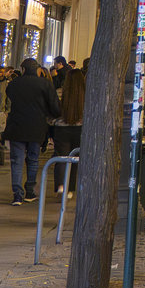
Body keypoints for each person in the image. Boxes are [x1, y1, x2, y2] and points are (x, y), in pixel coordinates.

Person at [3, 57, 60, 206]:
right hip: (37, 126)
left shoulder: (14, 84)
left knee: (17, 161)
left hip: (17, 126)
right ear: (37, 69)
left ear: (23, 69)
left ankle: (17, 194)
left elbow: (9, 96)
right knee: (33, 159)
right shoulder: (45, 84)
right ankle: (30, 191)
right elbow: (54, 106)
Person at [50, 65, 85, 199]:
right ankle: (70, 188)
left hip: (62, 129)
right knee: (75, 159)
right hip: (80, 129)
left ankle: (61, 185)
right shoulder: (86, 95)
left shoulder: (59, 93)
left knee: (61, 158)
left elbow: (53, 111)